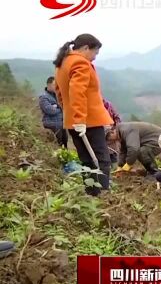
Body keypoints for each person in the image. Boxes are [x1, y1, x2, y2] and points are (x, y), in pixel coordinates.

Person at [53, 33, 113, 196]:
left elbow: (59, 92)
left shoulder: (62, 63)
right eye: (94, 53)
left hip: (73, 121)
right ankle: (103, 195)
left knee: (86, 159)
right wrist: (80, 119)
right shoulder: (80, 62)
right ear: (86, 48)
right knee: (101, 159)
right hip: (88, 121)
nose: (94, 58)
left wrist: (71, 114)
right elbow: (77, 91)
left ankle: (91, 193)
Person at [38, 76, 68, 148]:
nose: (57, 87)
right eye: (55, 85)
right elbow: (50, 110)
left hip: (62, 125)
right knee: (57, 146)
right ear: (49, 85)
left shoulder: (58, 96)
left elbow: (65, 107)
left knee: (65, 145)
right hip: (52, 125)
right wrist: (60, 108)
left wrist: (56, 106)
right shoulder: (43, 97)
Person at [103, 98, 122, 165]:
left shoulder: (108, 105)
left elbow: (117, 118)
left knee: (113, 153)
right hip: (101, 132)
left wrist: (115, 129)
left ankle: (114, 168)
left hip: (111, 131)